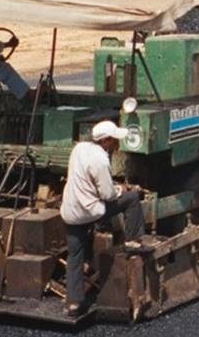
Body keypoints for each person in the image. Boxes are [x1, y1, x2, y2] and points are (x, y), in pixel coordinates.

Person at [60, 120, 147, 316]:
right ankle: (133, 240)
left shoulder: (79, 149)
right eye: (115, 140)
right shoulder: (100, 160)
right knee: (131, 199)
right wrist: (121, 189)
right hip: (90, 211)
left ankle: (74, 303)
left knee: (75, 255)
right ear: (106, 141)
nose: (117, 144)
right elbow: (108, 195)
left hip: (70, 211)